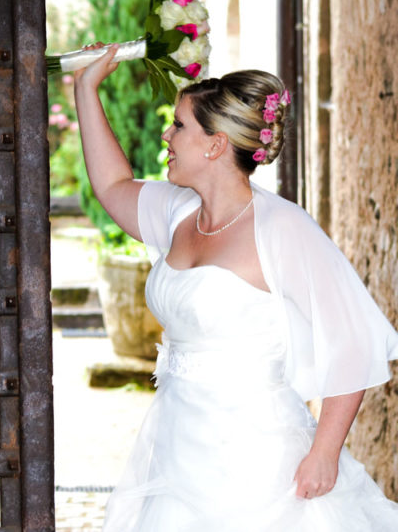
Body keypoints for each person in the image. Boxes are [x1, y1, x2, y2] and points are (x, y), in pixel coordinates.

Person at [73, 43, 398, 531]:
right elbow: (113, 186)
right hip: (176, 449)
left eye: (179, 126)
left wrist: (325, 453)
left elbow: (354, 339)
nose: (167, 135)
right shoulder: (178, 211)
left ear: (216, 145)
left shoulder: (282, 228)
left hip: (260, 461)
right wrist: (86, 89)